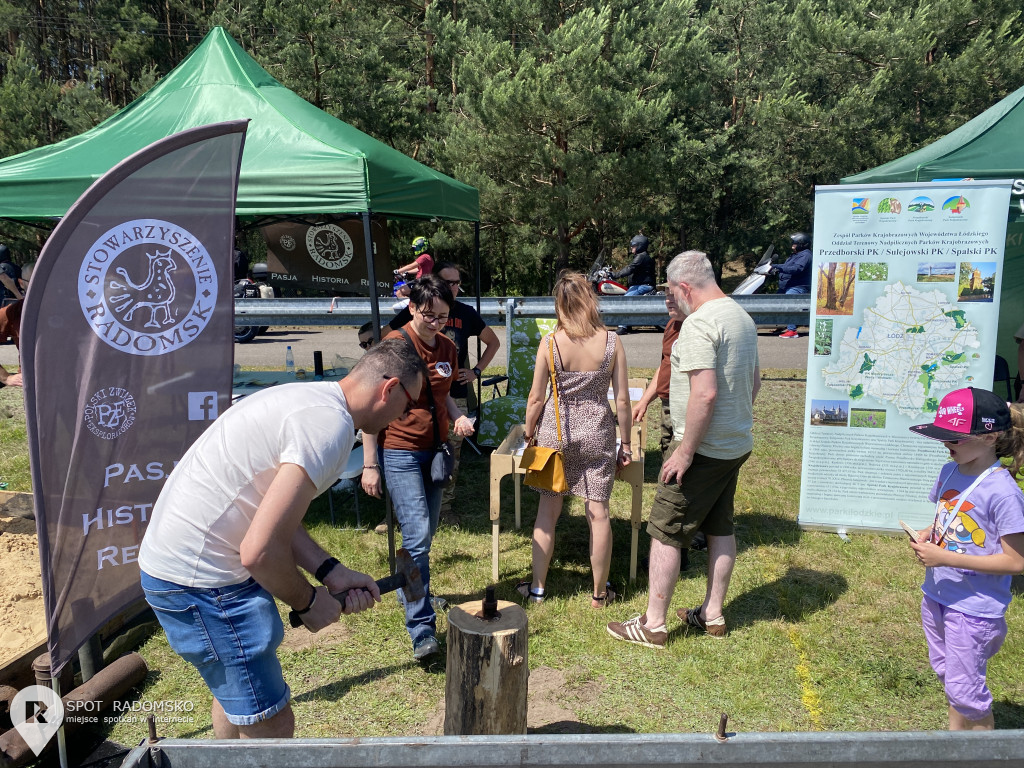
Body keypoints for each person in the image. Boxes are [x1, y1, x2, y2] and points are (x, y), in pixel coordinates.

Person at [138, 339, 425, 739]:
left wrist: (332, 572)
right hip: (199, 581)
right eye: (409, 404)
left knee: (238, 699)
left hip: (183, 568)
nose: (406, 415)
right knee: (273, 723)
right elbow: (258, 551)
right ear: (389, 388)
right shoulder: (330, 429)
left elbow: (269, 518)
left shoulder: (313, 400)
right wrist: (309, 602)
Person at [607, 249, 759, 648]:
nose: (670, 298)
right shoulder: (740, 317)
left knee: (664, 530)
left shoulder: (698, 325)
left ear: (685, 287)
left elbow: (704, 394)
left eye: (672, 291)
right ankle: (712, 612)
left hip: (703, 449)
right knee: (719, 527)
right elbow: (754, 382)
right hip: (735, 443)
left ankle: (654, 624)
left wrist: (685, 451)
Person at [361, 274, 476, 660]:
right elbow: (372, 409)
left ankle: (412, 589)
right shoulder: (395, 348)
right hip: (401, 451)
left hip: (438, 450)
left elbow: (444, 398)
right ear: (411, 308)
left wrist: (458, 418)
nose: (436, 323)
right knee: (415, 538)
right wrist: (369, 463)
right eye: (429, 315)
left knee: (424, 536)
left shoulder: (447, 347)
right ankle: (422, 630)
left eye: (443, 316)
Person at [906, 387, 1024, 731]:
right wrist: (930, 533)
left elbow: (1016, 562)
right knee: (951, 678)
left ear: (991, 438)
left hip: (974, 608)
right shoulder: (950, 471)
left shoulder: (1004, 492)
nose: (946, 443)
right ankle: (955, 743)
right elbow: (949, 515)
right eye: (943, 435)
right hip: (938, 596)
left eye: (955, 437)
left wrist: (944, 558)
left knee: (966, 692)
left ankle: (981, 755)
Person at [517, 271, 632, 608]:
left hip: (556, 432)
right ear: (590, 300)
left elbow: (536, 398)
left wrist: (528, 432)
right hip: (597, 430)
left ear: (559, 305)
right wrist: (625, 445)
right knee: (599, 513)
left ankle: (537, 589)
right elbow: (622, 401)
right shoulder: (611, 341)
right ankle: (599, 594)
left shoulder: (550, 343)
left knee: (547, 512)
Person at [382, 262, 501, 521]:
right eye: (448, 283)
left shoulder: (466, 313)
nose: (453, 287)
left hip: (453, 393)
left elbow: (493, 341)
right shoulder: (421, 308)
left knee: (449, 454)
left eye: (457, 283)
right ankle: (399, 512)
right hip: (415, 398)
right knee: (410, 452)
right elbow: (385, 335)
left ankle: (444, 507)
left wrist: (476, 371)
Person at [614, 234, 657, 335]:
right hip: (638, 285)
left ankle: (623, 327)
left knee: (625, 300)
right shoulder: (641, 256)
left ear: (640, 246)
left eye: (634, 245)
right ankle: (628, 324)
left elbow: (630, 269)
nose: (632, 247)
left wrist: (614, 275)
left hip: (644, 286)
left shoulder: (641, 257)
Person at [772, 232, 812, 338]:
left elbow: (796, 268)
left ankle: (792, 331)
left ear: (802, 244)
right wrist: (775, 270)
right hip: (787, 285)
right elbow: (787, 267)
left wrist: (777, 266)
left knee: (788, 302)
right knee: (772, 301)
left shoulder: (806, 255)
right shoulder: (796, 255)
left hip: (798, 286)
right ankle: (781, 325)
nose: (792, 244)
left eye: (795, 242)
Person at [393, 236, 435, 301]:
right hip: (425, 282)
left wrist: (397, 271)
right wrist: (407, 272)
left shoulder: (424, 257)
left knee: (399, 292)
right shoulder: (428, 257)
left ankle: (412, 307)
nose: (415, 250)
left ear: (422, 247)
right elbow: (418, 269)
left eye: (416, 248)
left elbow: (411, 266)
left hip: (420, 282)